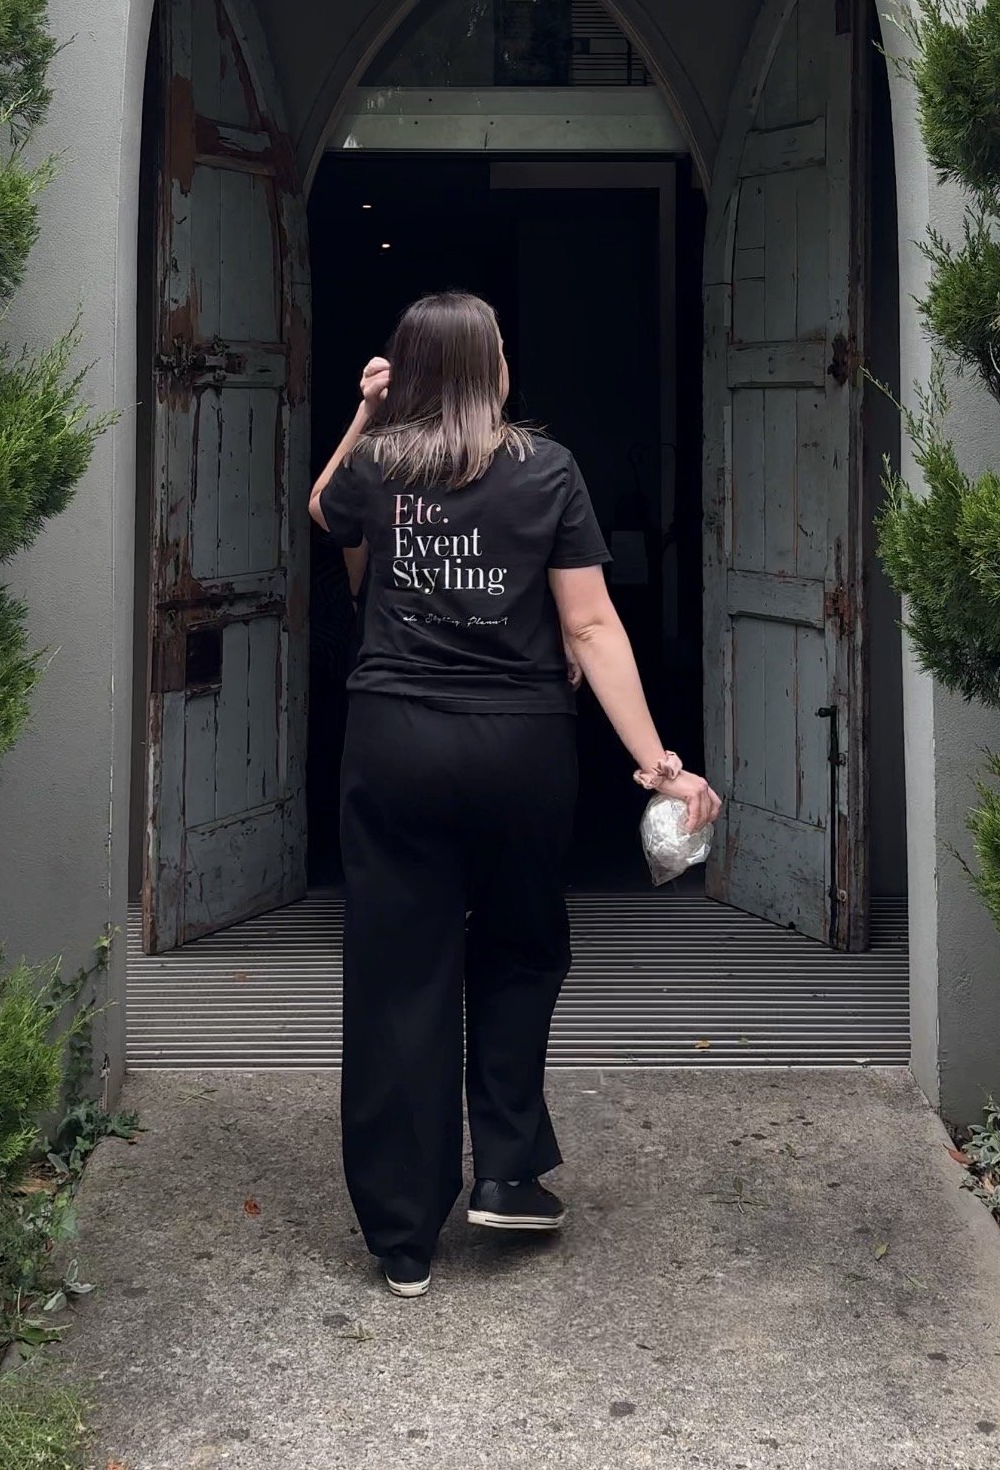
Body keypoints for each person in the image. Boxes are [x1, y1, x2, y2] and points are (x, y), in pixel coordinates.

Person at [309, 290, 721, 1298]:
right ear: (493, 367)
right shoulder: (548, 469)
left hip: (393, 744)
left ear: (404, 374)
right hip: (519, 752)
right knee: (519, 947)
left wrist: (367, 414)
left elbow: (325, 512)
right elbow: (590, 627)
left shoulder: (379, 465)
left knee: (398, 972)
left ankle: (404, 1240)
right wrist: (660, 760)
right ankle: (503, 1166)